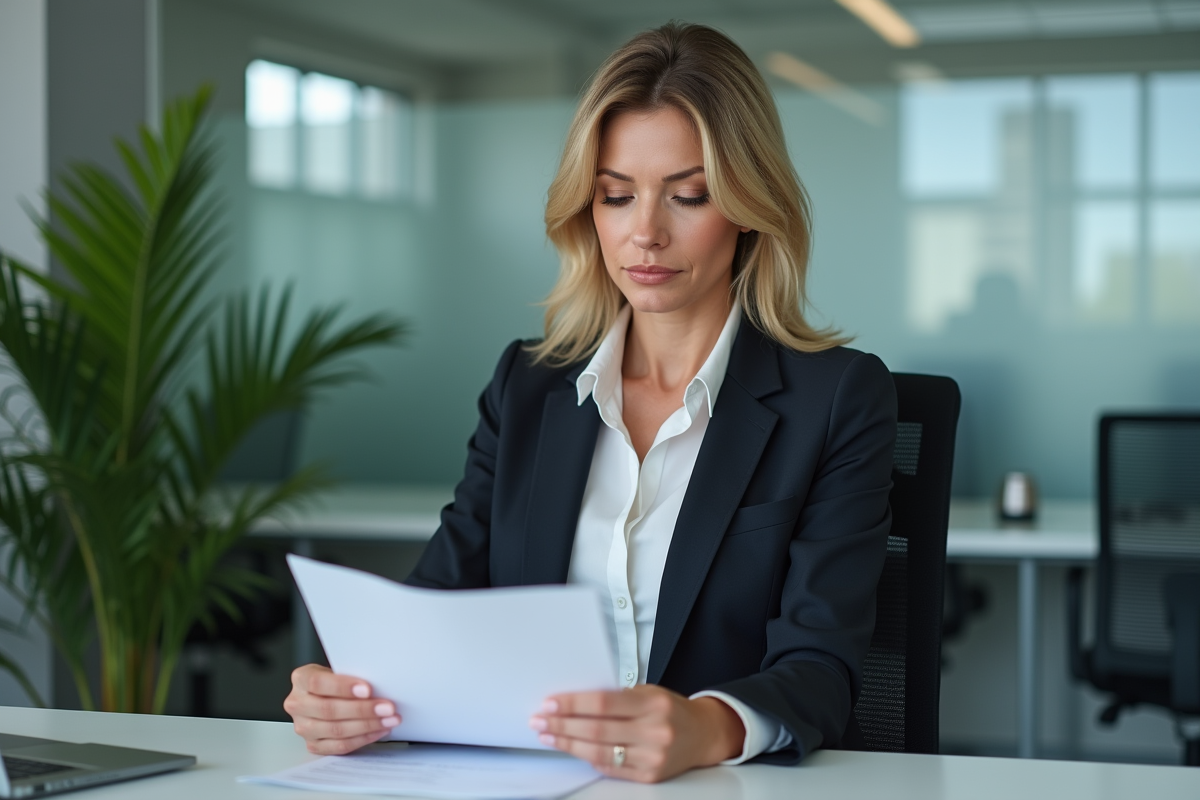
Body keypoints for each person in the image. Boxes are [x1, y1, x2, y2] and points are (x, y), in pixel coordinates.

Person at [283, 21, 896, 784]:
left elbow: (820, 666)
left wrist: (703, 726)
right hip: (525, 779)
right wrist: (350, 693)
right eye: (616, 196)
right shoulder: (529, 386)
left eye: (689, 195)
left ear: (745, 204)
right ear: (589, 209)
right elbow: (438, 605)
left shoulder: (835, 398)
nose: (645, 233)